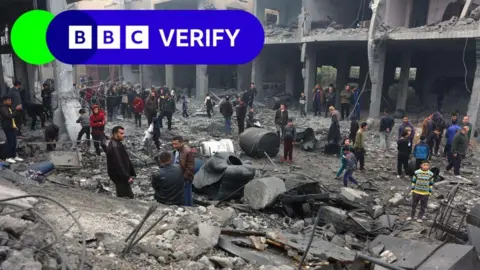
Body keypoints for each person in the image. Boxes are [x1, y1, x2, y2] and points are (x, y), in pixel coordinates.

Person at [107, 126, 136, 198]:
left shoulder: (117, 143)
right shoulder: (114, 146)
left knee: (122, 196)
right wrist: (127, 177)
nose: (123, 135)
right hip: (120, 178)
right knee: (128, 198)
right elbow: (118, 164)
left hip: (121, 177)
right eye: (121, 133)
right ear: (115, 134)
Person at [172, 136, 195, 206]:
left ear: (181, 143)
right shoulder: (178, 150)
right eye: (173, 144)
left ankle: (188, 209)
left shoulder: (187, 151)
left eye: (176, 144)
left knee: (186, 194)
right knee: (182, 194)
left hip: (185, 178)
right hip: (179, 176)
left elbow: (190, 167)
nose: (174, 146)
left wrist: (184, 178)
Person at [0, 96, 23, 163]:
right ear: (4, 101)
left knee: (14, 142)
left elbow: (16, 113)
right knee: (10, 142)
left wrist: (19, 109)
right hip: (7, 127)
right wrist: (16, 110)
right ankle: (8, 157)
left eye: (10, 100)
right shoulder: (3, 108)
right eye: (9, 100)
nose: (10, 101)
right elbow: (9, 116)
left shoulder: (8, 107)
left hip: (12, 126)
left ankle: (14, 156)